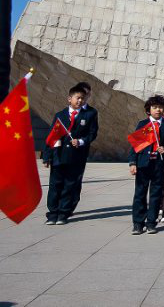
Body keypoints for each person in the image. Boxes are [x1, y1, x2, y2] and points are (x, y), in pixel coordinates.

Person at [42, 84, 99, 225]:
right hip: (59, 155)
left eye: (82, 98)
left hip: (76, 156)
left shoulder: (89, 114)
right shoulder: (60, 115)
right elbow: (51, 136)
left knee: (69, 185)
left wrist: (81, 141)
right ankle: (52, 213)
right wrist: (47, 156)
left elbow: (92, 133)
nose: (80, 101)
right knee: (55, 185)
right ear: (69, 99)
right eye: (77, 98)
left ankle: (63, 213)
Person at [129, 95, 164, 235]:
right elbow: (135, 146)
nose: (158, 110)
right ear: (148, 110)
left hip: (158, 163)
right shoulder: (143, 124)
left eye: (160, 107)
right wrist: (132, 163)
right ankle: (138, 223)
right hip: (143, 164)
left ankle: (151, 222)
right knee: (140, 193)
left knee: (156, 194)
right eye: (155, 107)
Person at [63, 81, 99, 217]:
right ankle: (61, 206)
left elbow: (92, 133)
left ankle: (70, 205)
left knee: (75, 179)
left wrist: (82, 141)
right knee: (62, 180)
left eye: (86, 94)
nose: (83, 97)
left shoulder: (91, 112)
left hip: (80, 152)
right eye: (81, 94)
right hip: (64, 152)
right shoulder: (65, 111)